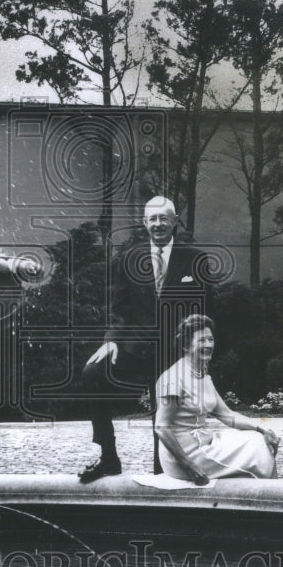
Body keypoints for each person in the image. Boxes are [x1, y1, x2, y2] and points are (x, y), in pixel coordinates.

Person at [78, 195, 213, 483]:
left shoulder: (195, 260)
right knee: (92, 374)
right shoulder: (129, 259)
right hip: (135, 350)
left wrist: (198, 357)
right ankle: (108, 458)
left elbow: (206, 312)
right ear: (144, 223)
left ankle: (164, 469)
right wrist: (111, 339)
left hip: (175, 355)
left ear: (175, 221)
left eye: (164, 218)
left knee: (162, 426)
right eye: (152, 218)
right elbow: (119, 308)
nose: (158, 224)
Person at [155, 314, 279, 483]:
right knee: (257, 448)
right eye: (201, 341)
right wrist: (188, 465)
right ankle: (270, 495)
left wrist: (262, 429)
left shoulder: (203, 376)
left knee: (259, 439)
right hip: (184, 458)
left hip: (204, 445)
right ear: (185, 346)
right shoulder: (173, 377)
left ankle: (268, 494)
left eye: (210, 340)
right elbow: (161, 427)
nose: (208, 345)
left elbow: (227, 414)